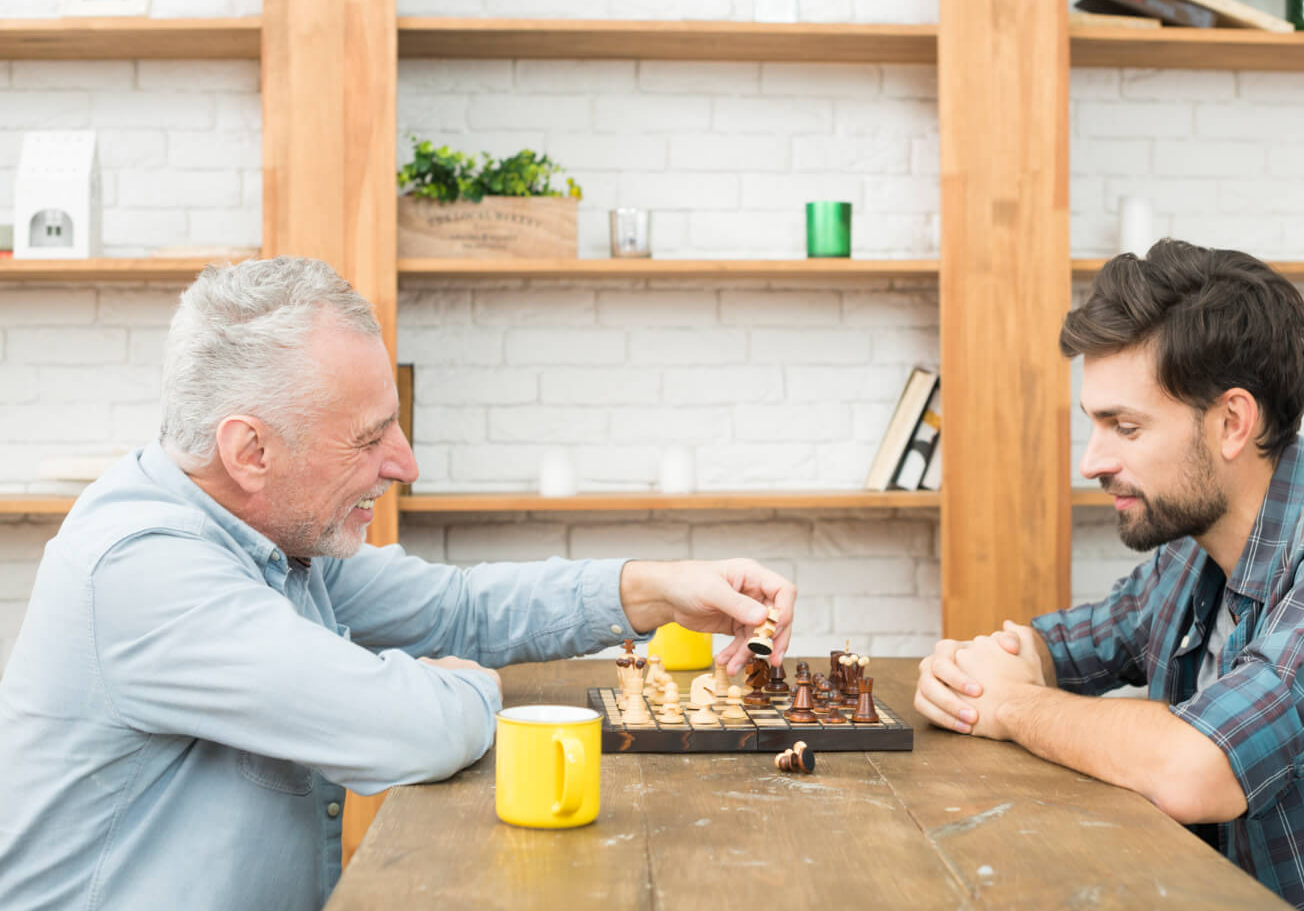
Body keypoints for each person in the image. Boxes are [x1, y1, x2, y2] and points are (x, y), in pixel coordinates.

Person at [0, 257, 797, 911]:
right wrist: (465, 688)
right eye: (370, 436)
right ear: (251, 452)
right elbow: (408, 728)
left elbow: (457, 606)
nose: (405, 464)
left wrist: (657, 587)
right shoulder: (144, 570)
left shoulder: (268, 532)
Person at [915, 240, 1304, 911]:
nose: (1091, 461)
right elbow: (1049, 649)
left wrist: (1011, 704)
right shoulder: (1191, 555)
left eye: (1124, 427)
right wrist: (963, 673)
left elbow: (1198, 768)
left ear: (1231, 422)